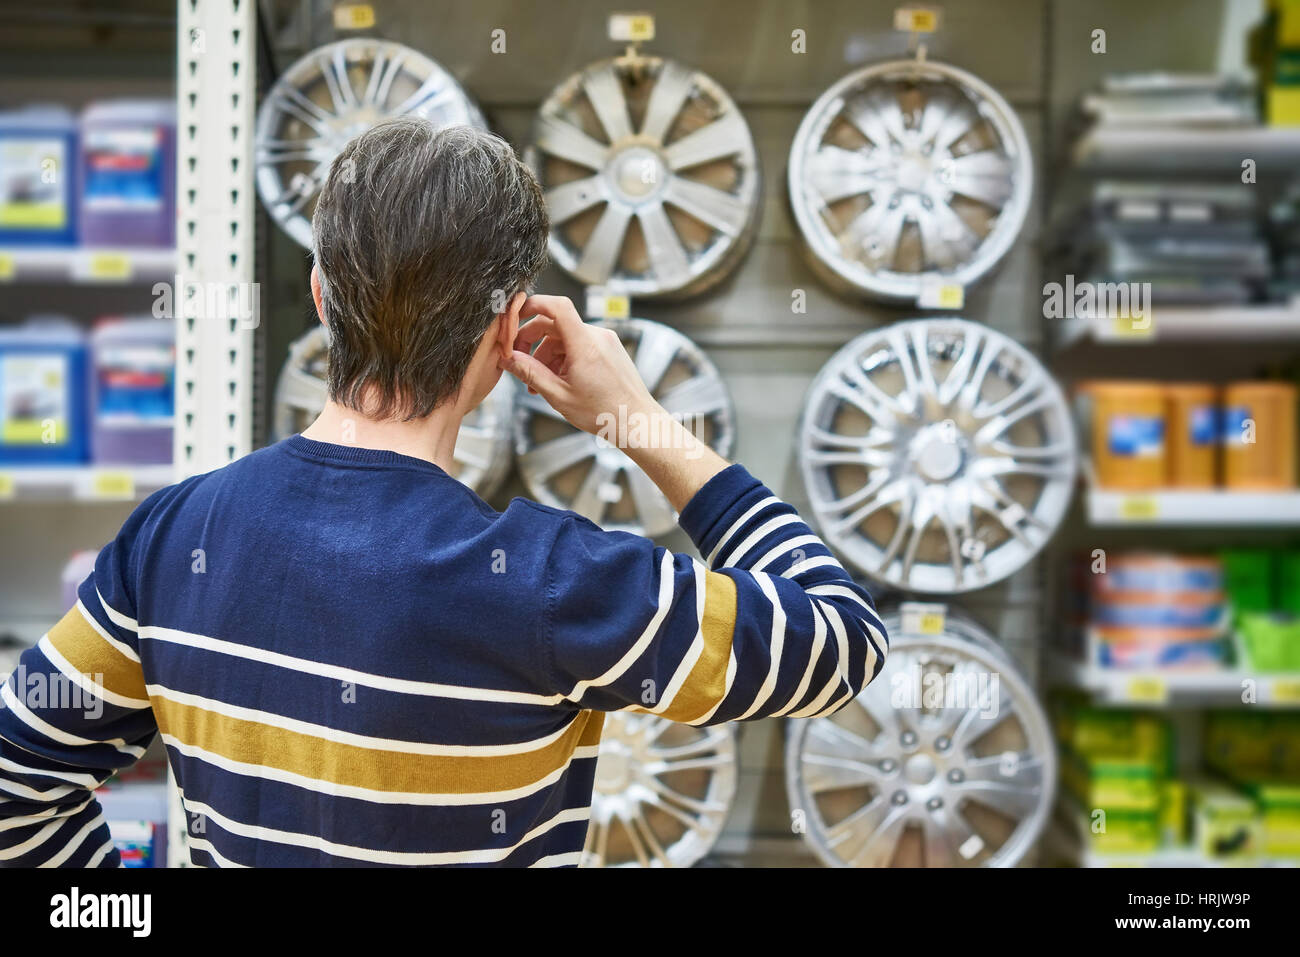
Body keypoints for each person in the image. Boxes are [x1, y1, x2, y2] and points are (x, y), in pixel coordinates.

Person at [0, 118, 887, 868]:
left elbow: (15, 788)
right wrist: (638, 422)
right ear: (507, 333)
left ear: (320, 296)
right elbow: (845, 643)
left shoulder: (174, 532)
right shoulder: (555, 583)